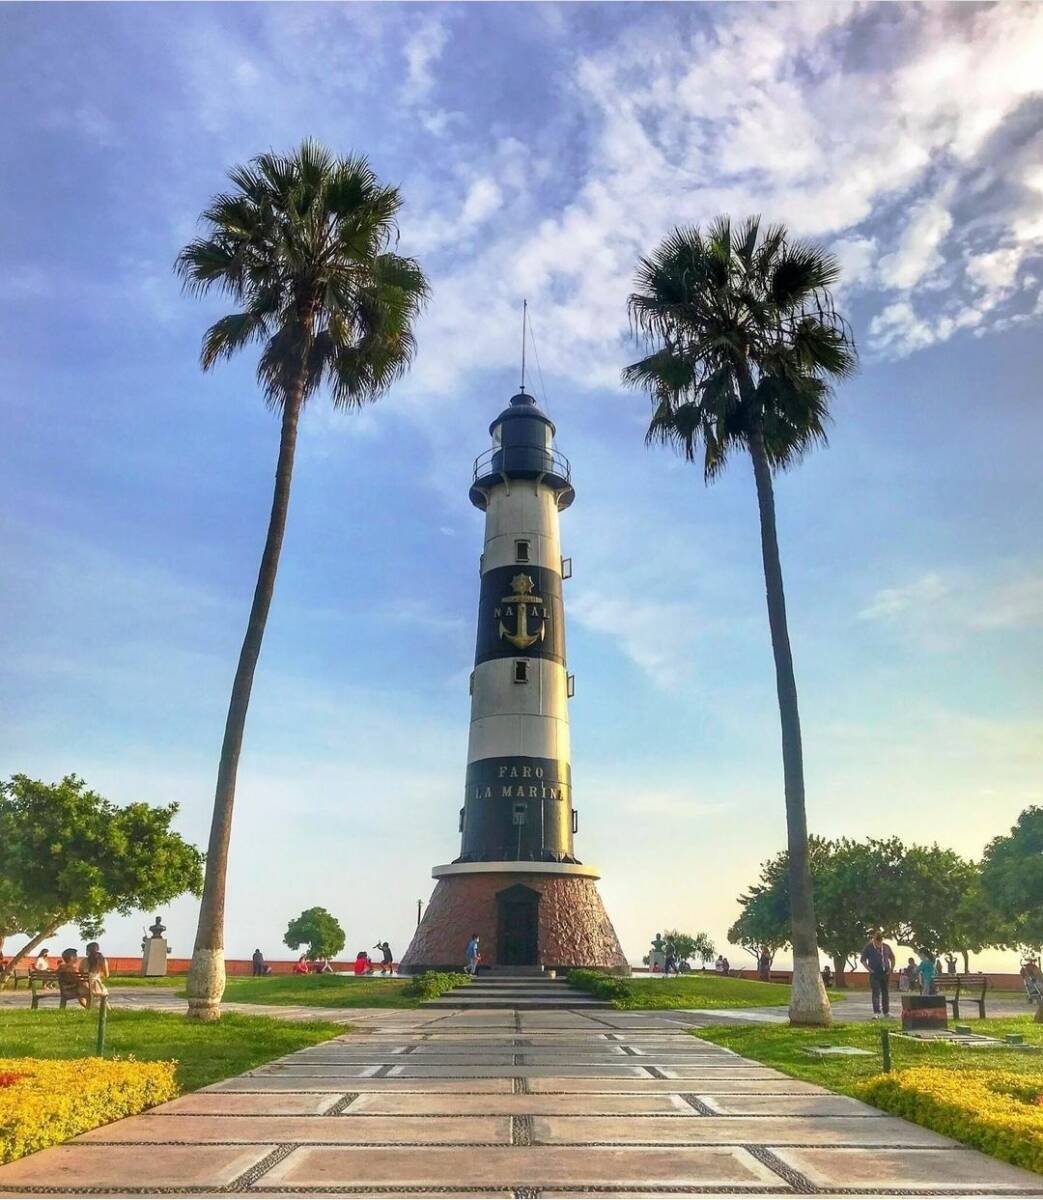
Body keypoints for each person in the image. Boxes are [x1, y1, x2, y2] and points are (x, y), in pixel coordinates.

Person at [859, 930, 896, 1018]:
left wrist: (891, 968)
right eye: (877, 942)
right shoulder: (869, 947)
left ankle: (886, 1012)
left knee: (885, 992)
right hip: (874, 973)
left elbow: (892, 958)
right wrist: (869, 969)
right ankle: (876, 1012)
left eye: (880, 942)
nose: (878, 944)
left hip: (885, 973)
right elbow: (863, 960)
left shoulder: (886, 947)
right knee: (876, 992)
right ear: (874, 940)